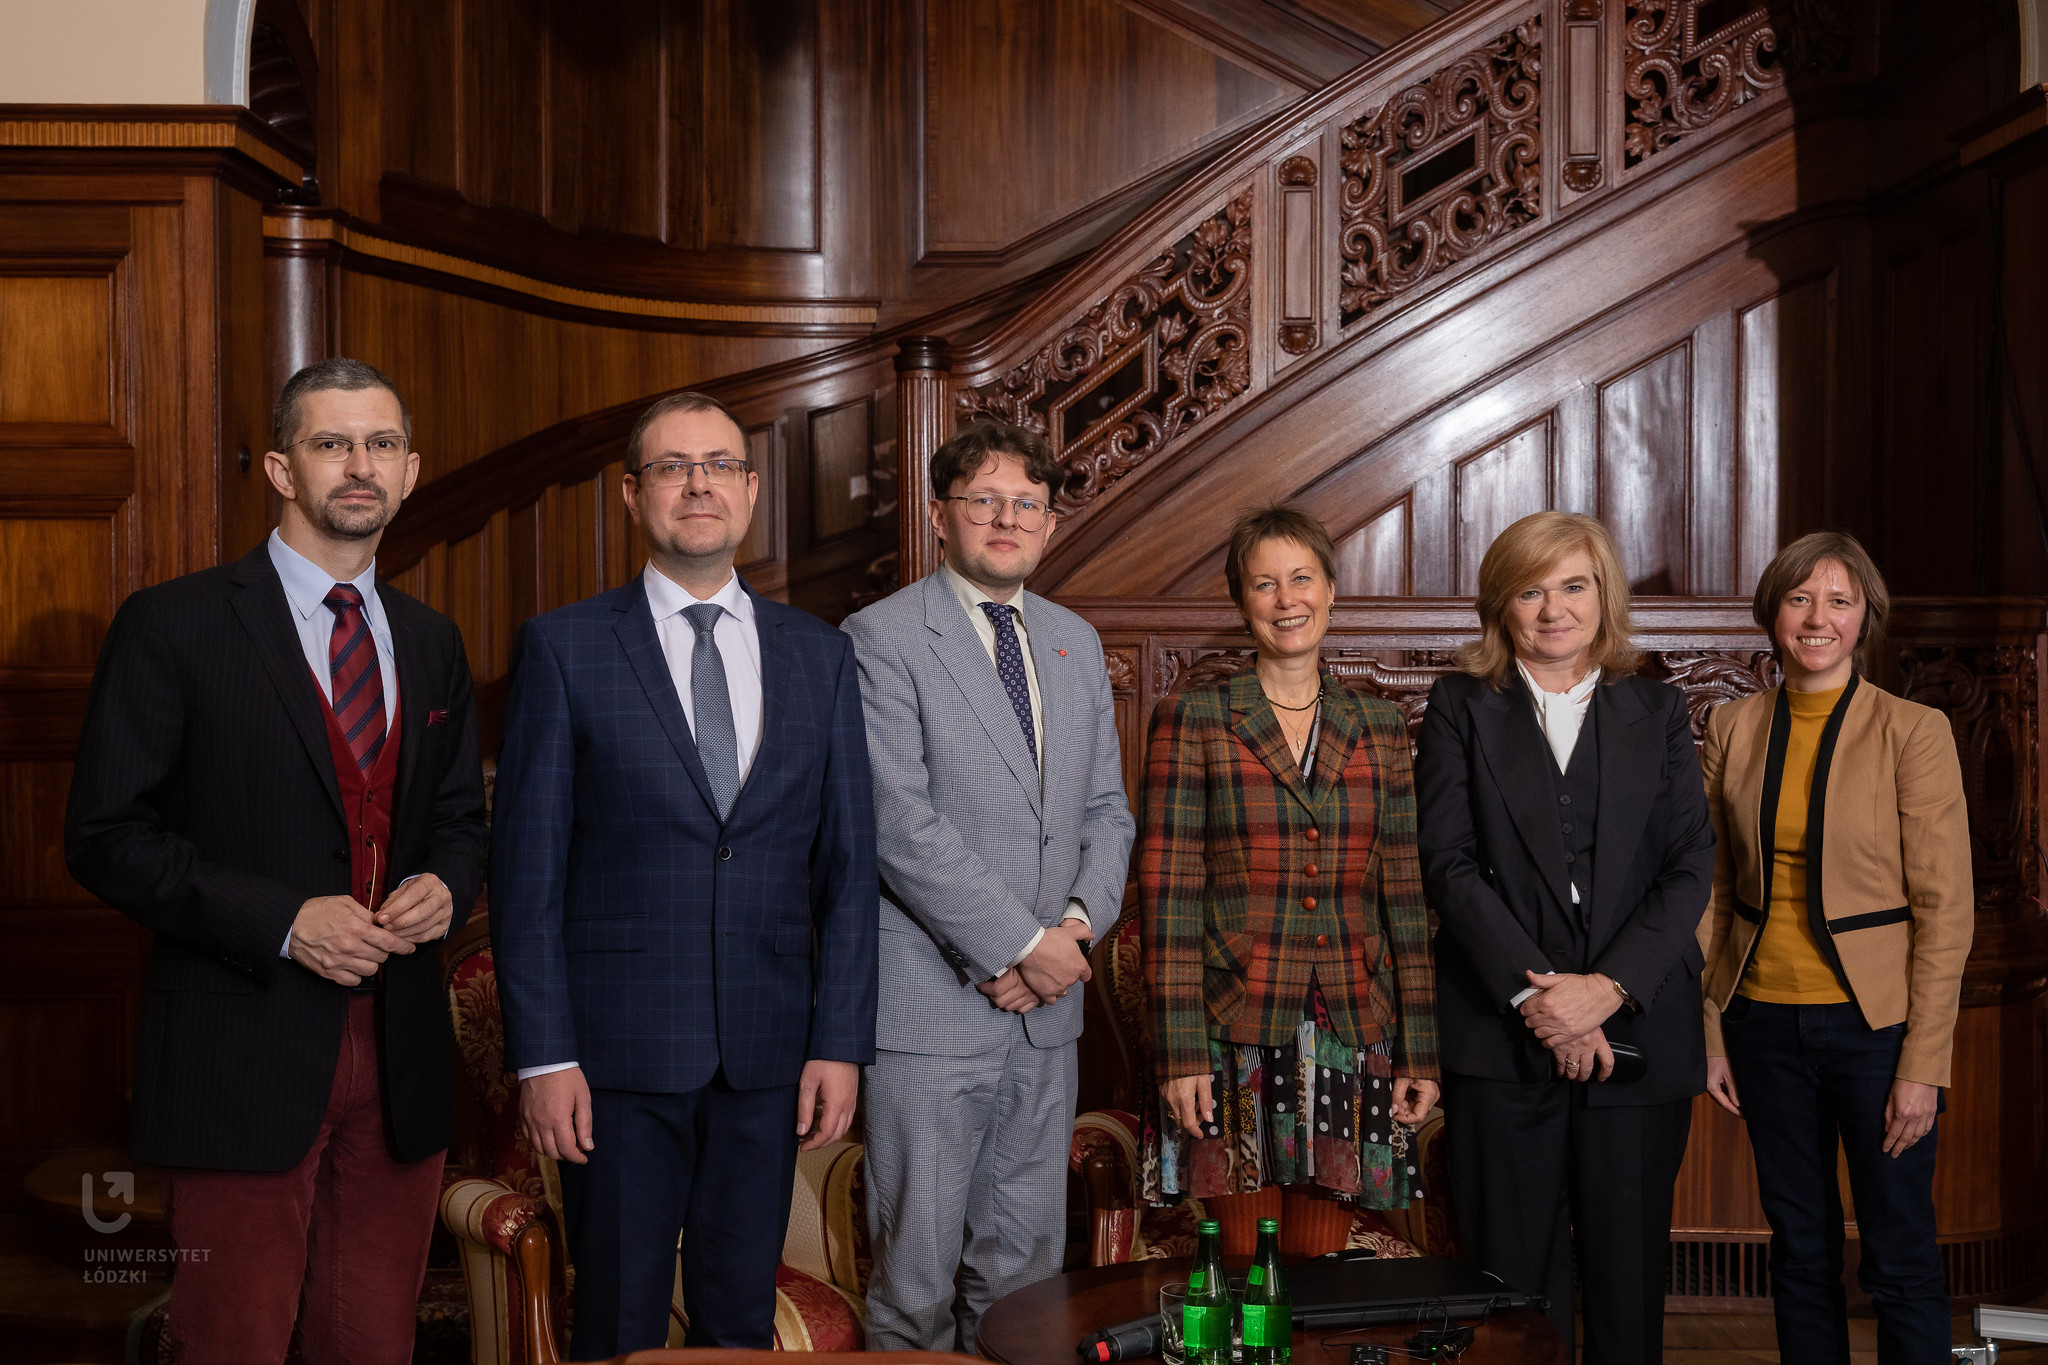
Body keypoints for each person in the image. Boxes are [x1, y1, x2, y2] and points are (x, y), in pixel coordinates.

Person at [64, 358, 490, 1364]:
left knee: (371, 1344)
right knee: (233, 1344)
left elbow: (462, 822)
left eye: (380, 444)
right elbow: (103, 837)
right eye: (330, 442)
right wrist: (285, 919)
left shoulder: (430, 641)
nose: (359, 465)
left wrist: (448, 884)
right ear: (279, 469)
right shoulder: (174, 626)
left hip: (401, 1055)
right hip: (236, 1049)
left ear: (412, 468)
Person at [490, 391, 878, 1357]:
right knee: (617, 1319)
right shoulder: (565, 646)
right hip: (614, 1060)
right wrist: (545, 1055)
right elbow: (526, 870)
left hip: (768, 1054)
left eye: (718, 465)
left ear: (750, 493)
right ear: (633, 494)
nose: (697, 483)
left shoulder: (821, 655)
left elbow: (850, 868)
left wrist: (840, 1041)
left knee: (738, 1321)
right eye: (672, 466)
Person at [843, 419, 1135, 1352]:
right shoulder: (880, 636)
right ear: (941, 516)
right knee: (916, 1280)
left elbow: (1105, 813)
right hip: (932, 1012)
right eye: (984, 500)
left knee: (1026, 1278)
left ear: (1050, 524)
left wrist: (1073, 937)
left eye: (1027, 504)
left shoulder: (1075, 641)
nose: (1006, 518)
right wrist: (1020, 945)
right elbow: (898, 822)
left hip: (1048, 1014)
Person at [1413, 510, 1714, 1365]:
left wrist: (1606, 990)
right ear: (1501, 606)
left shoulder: (1656, 708)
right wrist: (1541, 996)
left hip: (1639, 1030)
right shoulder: (1460, 705)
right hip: (1501, 1036)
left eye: (1574, 585)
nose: (1554, 608)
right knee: (1511, 1291)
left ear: (1603, 594)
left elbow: (1690, 863)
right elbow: (1449, 862)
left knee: (1628, 1283)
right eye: (1531, 589)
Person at [1699, 531, 1970, 1364]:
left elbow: (1944, 908)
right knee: (1801, 1248)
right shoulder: (1732, 725)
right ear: (1773, 614)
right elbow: (1707, 889)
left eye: (1839, 601)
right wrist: (1713, 1027)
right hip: (1762, 1024)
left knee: (1898, 1252)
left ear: (1865, 619)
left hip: (1878, 1033)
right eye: (1799, 598)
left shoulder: (1912, 731)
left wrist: (1923, 1065)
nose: (1818, 617)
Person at [1140, 505, 1439, 1257]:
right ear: (1242, 602)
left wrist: (1420, 1051)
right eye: (1264, 583)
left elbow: (1405, 893)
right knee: (1244, 1270)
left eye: (1301, 578)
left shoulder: (1379, 725)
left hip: (1352, 1021)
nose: (1286, 599)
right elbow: (1169, 894)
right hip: (1230, 1025)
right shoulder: (1196, 717)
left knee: (1321, 1265)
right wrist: (1178, 1053)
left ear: (1331, 589)